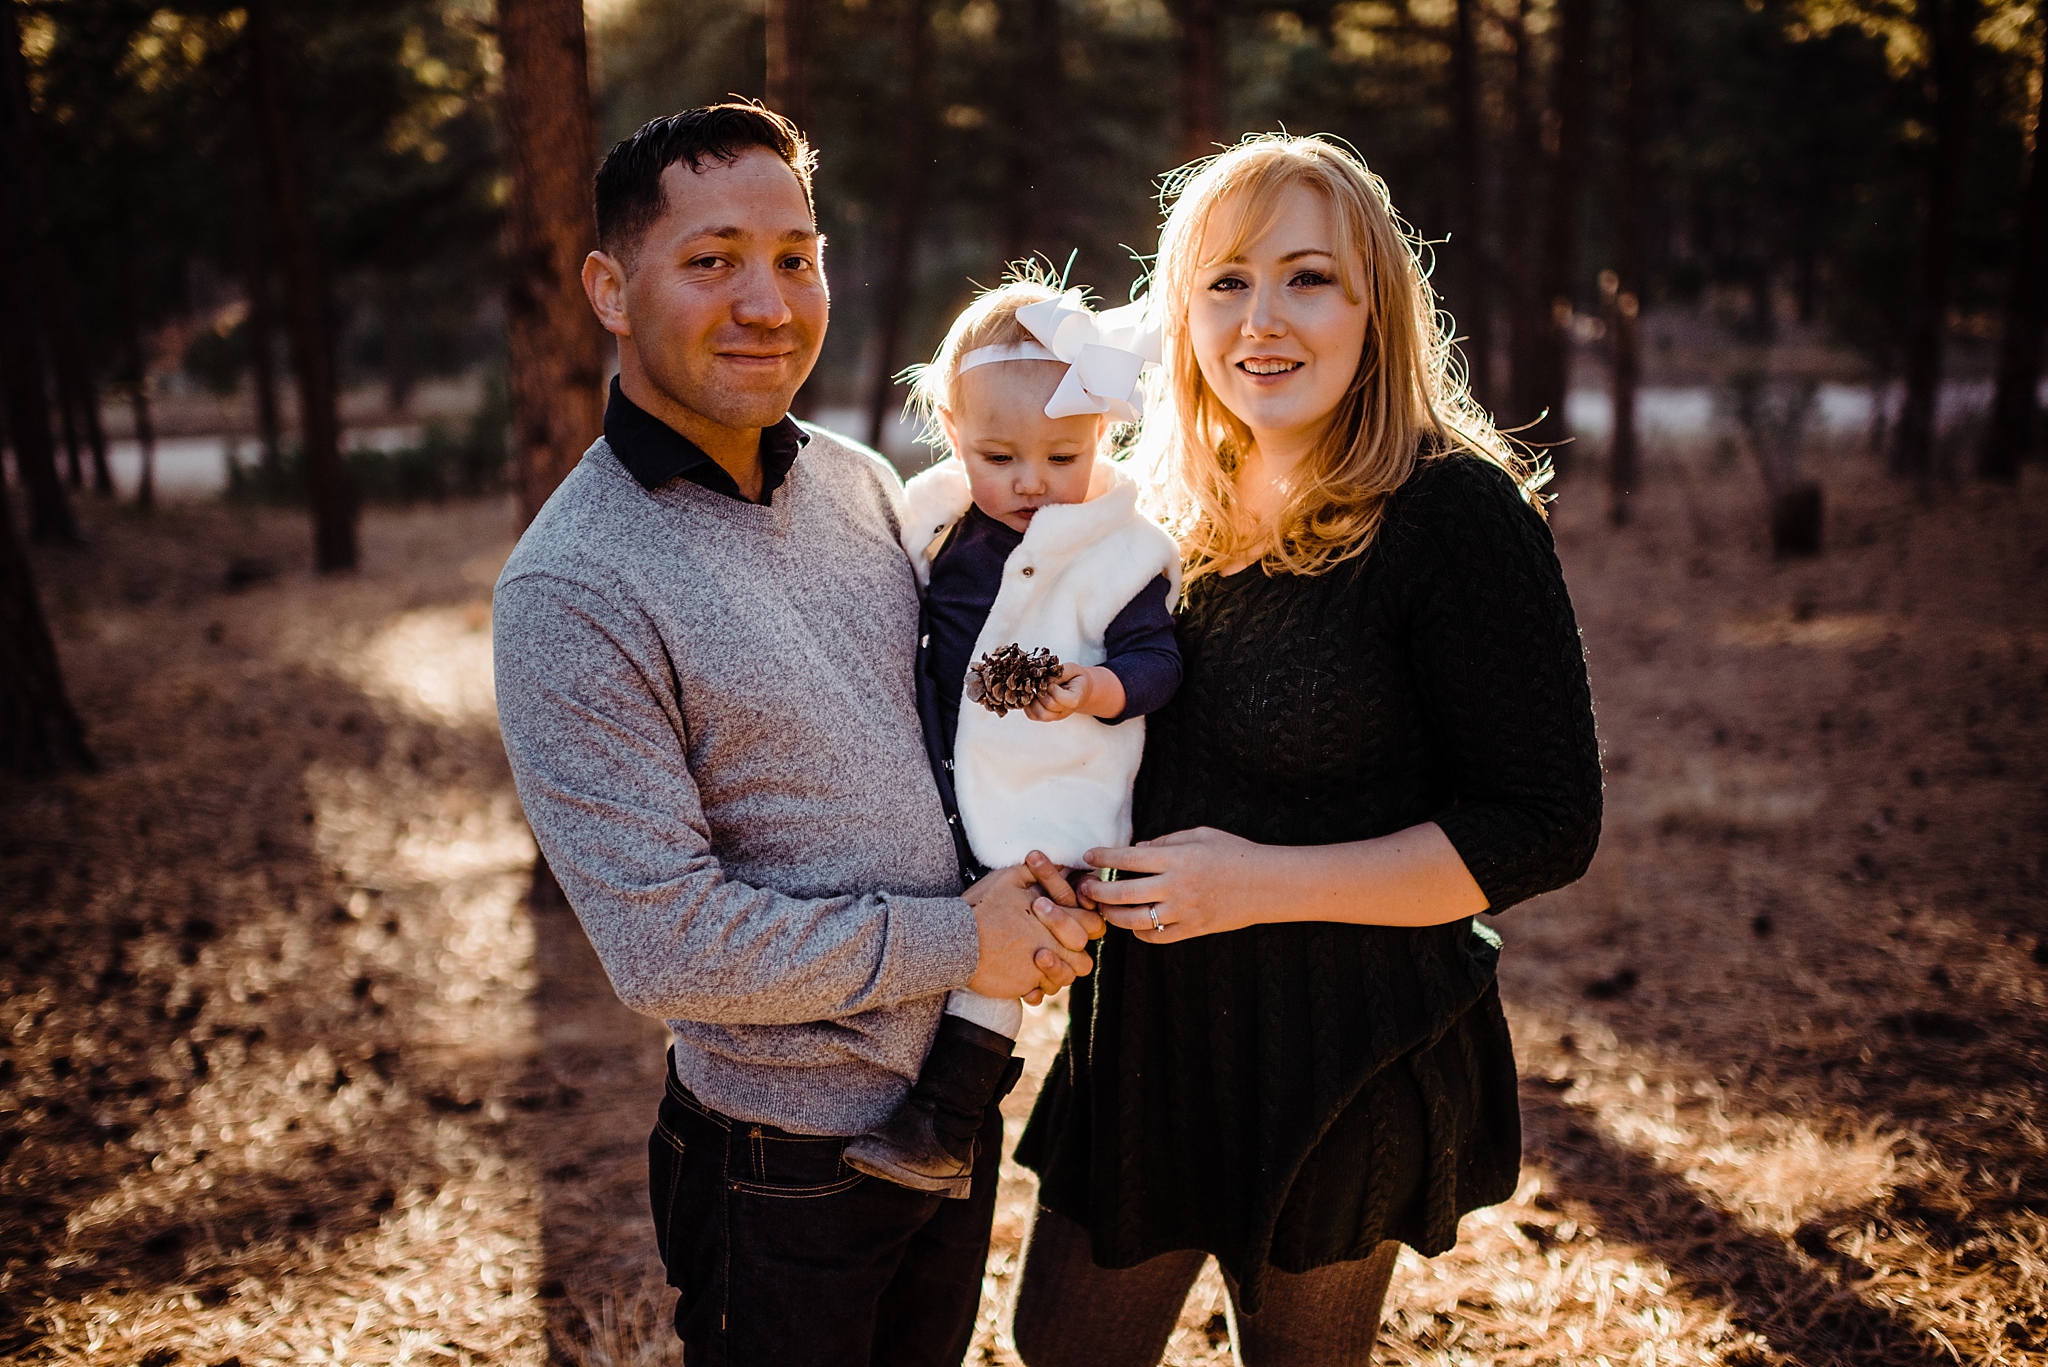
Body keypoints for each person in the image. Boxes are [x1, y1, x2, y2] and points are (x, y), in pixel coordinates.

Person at [491, 104, 1101, 1367]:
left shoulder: (859, 482)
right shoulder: (574, 586)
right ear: (610, 287)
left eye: (796, 255)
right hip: (779, 1165)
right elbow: (668, 946)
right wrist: (959, 937)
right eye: (712, 259)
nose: (768, 301)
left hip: (954, 1095)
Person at [1009, 134, 1604, 1366]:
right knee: (1060, 1345)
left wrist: (1253, 883)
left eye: (1305, 278)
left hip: (1342, 1046)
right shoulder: (1149, 516)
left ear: (1372, 301)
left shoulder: (1451, 513)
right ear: (1180, 311)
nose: (1260, 318)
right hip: (1147, 1044)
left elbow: (1544, 818)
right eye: (1224, 281)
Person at [843, 276, 1182, 1196]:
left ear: (1103, 436)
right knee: (948, 929)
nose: (1032, 481)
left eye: (1063, 455)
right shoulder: (938, 519)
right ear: (953, 437)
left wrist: (1101, 688)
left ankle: (947, 1122)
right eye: (999, 456)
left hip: (1055, 791)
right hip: (943, 780)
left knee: (1016, 927)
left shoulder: (1121, 550)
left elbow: (1161, 662)